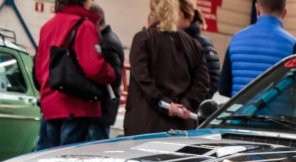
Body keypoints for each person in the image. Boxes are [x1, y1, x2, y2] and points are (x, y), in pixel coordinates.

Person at [34, 0, 116, 148]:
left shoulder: (47, 27)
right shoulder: (84, 26)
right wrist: (110, 73)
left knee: (49, 160)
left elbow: (39, 71)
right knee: (68, 161)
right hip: (76, 106)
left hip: (50, 106)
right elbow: (94, 68)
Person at [123, 0, 209, 135]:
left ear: (152, 11)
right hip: (183, 127)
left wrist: (164, 104)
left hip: (147, 126)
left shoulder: (143, 39)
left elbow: (143, 78)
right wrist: (185, 105)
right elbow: (203, 81)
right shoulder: (193, 45)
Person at [218, 0, 296, 97]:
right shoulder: (291, 44)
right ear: (284, 13)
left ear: (257, 8)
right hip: (276, 112)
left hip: (240, 111)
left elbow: (224, 89)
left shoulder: (236, 39)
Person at [86, 3, 124, 141]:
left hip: (101, 109)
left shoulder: (106, 43)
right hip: (103, 109)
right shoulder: (108, 39)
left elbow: (114, 76)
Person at [179, 3, 220, 99]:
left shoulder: (203, 44)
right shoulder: (173, 41)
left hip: (192, 108)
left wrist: (193, 103)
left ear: (188, 17)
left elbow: (214, 79)